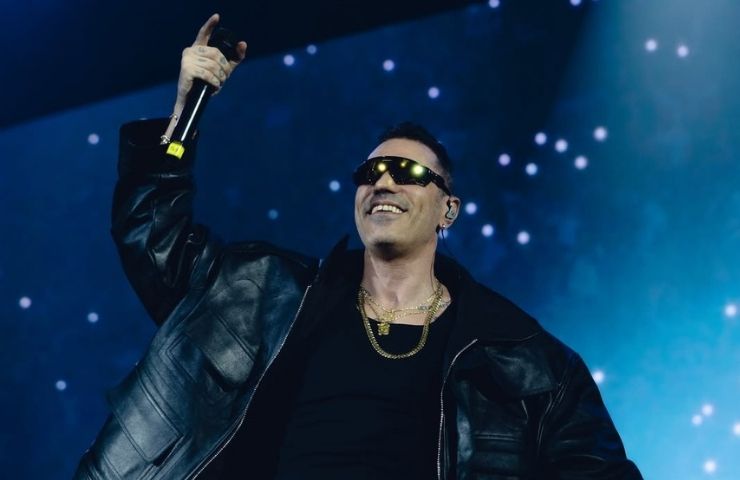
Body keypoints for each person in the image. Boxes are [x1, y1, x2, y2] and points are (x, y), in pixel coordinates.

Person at [74, 13, 642, 480]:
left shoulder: (527, 359)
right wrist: (183, 116)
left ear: (448, 209)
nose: (383, 182)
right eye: (371, 172)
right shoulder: (263, 294)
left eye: (408, 172)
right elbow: (152, 239)